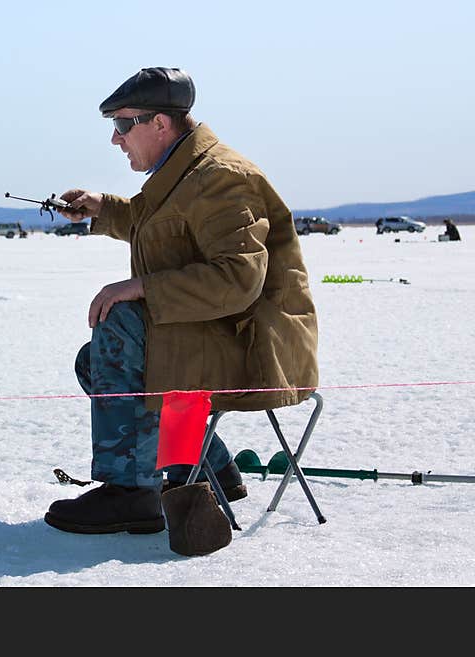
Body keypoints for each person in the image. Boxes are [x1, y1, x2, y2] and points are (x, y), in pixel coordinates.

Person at [45, 67, 319, 536]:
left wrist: (140, 288)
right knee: (96, 361)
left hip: (252, 347)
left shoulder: (220, 178)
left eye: (123, 124)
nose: (116, 139)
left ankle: (132, 494)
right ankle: (211, 468)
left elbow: (237, 277)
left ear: (160, 124)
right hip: (214, 335)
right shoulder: (183, 174)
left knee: (121, 326)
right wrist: (103, 208)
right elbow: (162, 225)